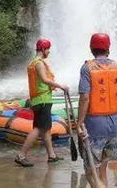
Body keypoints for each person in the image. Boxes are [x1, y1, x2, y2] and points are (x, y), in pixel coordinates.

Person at [76, 33, 117, 188]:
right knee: (102, 168)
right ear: (108, 48)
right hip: (113, 126)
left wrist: (79, 122)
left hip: (94, 126)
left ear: (91, 48)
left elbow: (84, 98)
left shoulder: (87, 68)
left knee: (91, 174)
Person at [15, 38, 68, 167]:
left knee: (45, 128)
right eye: (48, 49)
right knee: (39, 128)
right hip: (43, 100)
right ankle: (21, 155)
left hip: (38, 100)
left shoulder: (33, 62)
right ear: (43, 49)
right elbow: (45, 80)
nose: (49, 52)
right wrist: (60, 86)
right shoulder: (39, 63)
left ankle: (52, 155)